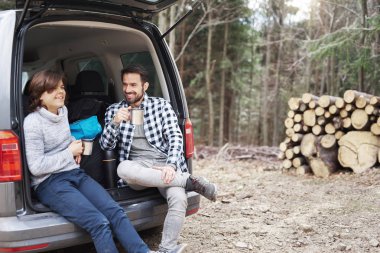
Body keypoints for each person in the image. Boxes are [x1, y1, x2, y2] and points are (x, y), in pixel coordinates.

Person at [23, 69, 153, 253]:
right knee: (99, 222)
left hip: (73, 173)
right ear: (39, 94)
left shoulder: (63, 111)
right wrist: (69, 153)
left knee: (116, 212)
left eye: (61, 87)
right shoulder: (32, 123)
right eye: (52, 89)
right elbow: (36, 167)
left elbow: (64, 139)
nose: (60, 92)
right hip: (49, 183)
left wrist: (73, 145)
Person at [100, 64, 218, 253]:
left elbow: (176, 137)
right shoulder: (114, 110)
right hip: (138, 168)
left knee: (178, 199)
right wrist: (115, 122)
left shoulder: (160, 105)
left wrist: (171, 164)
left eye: (133, 85)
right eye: (125, 85)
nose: (128, 90)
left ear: (144, 86)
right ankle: (189, 181)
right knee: (123, 168)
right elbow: (105, 146)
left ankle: (167, 248)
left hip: (164, 165)